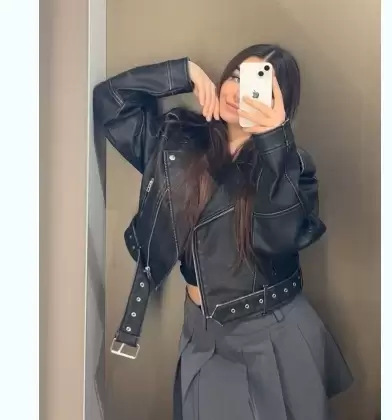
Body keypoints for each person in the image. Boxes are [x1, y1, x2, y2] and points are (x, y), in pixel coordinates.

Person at [93, 43, 353, 420]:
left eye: (257, 86)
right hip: (201, 331)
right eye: (235, 76)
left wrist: (275, 140)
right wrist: (183, 73)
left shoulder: (290, 166)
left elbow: (281, 236)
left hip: (272, 333)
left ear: (280, 104)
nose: (238, 90)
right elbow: (110, 102)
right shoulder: (177, 140)